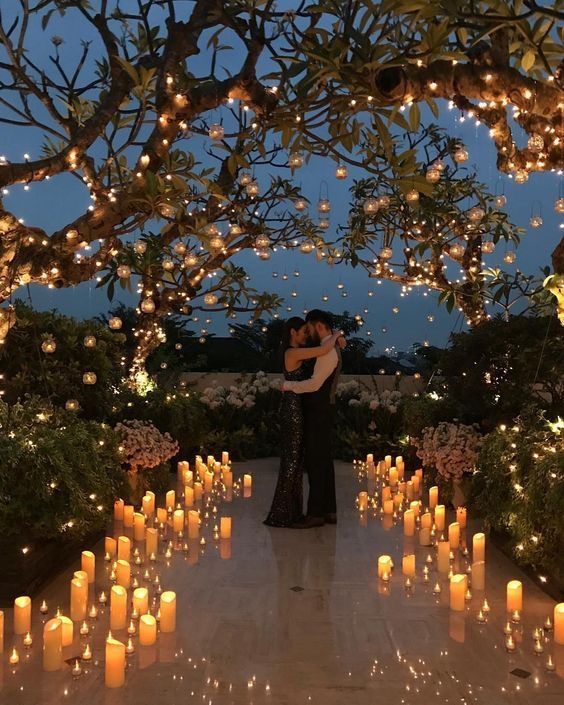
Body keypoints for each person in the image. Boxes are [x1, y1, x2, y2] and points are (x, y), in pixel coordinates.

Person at [264, 317, 344, 528]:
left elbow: (321, 353)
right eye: (303, 331)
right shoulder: (292, 352)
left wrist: (336, 338)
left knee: (300, 460)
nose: (306, 335)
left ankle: (298, 510)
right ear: (292, 332)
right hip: (293, 409)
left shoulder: (305, 350)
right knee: (293, 460)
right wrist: (336, 336)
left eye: (308, 330)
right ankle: (283, 512)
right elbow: (321, 350)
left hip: (302, 406)